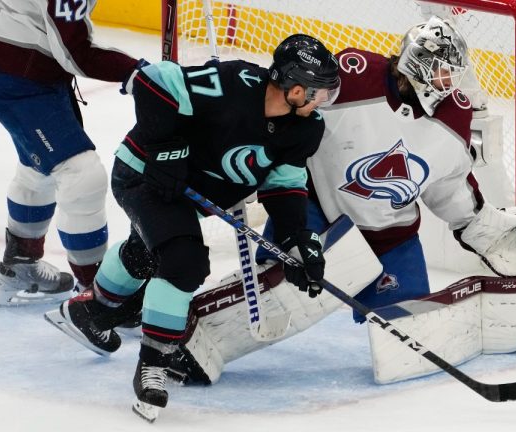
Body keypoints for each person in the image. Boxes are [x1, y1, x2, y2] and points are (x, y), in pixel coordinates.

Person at [161, 16, 516, 387]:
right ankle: (176, 336)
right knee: (279, 296)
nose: (448, 82)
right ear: (416, 64)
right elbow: (289, 106)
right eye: (440, 70)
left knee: (409, 334)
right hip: (316, 215)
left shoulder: (454, 116)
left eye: (451, 73)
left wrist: (479, 226)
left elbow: (449, 183)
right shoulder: (352, 77)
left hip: (392, 238)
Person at [45, 34, 341, 421]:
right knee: (183, 262)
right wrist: (165, 148)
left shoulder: (306, 129)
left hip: (192, 196)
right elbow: (154, 80)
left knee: (149, 252)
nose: (324, 103)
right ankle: (154, 364)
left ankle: (92, 314)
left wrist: (297, 239)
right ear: (296, 88)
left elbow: (283, 185)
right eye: (321, 94)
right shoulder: (233, 84)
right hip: (145, 177)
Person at [0, 0, 143, 307]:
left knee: (39, 168)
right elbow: (77, 54)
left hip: (17, 59)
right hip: (13, 75)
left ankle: (20, 263)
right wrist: (137, 71)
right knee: (81, 174)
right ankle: (99, 298)